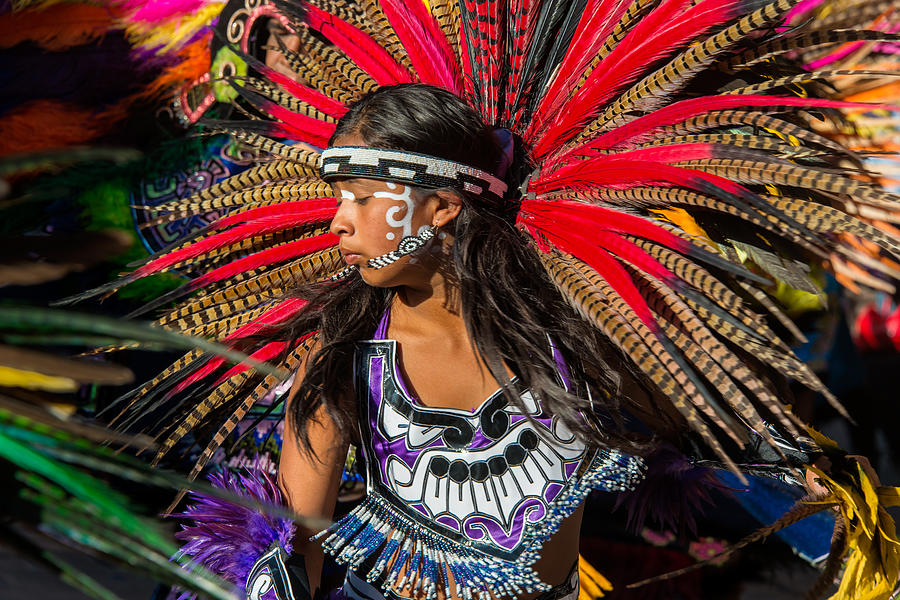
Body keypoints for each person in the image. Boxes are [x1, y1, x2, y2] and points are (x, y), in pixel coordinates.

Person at [277, 83, 644, 600]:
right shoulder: (343, 354)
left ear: (442, 207)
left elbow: (710, 422)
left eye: (361, 199)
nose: (339, 221)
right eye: (340, 201)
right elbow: (292, 543)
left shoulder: (570, 336)